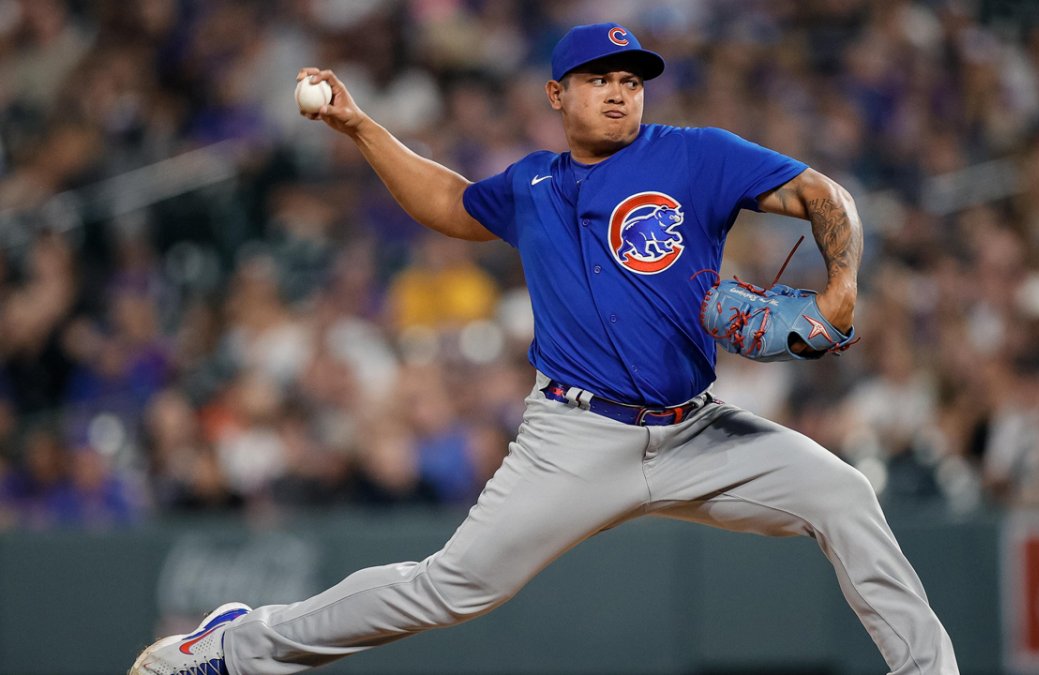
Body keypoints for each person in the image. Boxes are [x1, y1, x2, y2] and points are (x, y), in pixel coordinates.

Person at [131, 23, 958, 675]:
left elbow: (822, 193)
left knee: (844, 494)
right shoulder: (530, 184)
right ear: (557, 94)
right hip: (575, 436)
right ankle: (231, 650)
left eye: (631, 81)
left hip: (699, 431)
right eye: (600, 79)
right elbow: (451, 202)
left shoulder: (694, 156)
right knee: (447, 588)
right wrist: (358, 125)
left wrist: (842, 280)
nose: (619, 94)